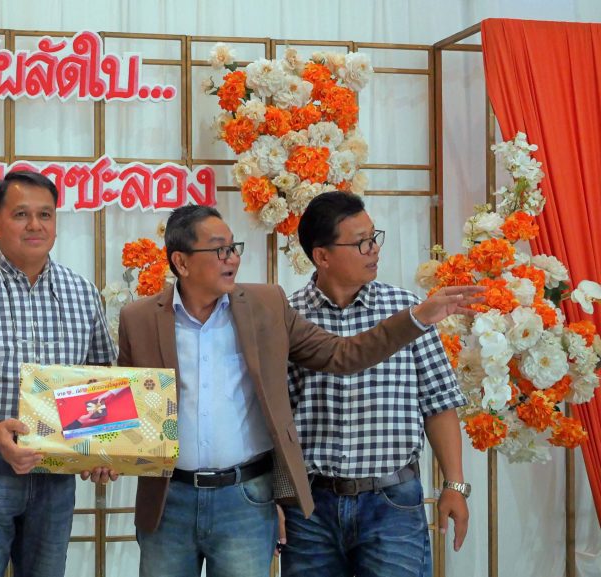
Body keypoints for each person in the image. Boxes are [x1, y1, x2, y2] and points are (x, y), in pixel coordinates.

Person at [117, 204, 480, 577]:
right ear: (182, 261)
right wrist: (105, 454)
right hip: (171, 499)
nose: (233, 258)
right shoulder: (138, 318)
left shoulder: (266, 307)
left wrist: (417, 318)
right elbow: (126, 410)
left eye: (234, 247)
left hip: (249, 498)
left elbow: (343, 354)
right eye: (220, 250)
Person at [0, 169, 117, 577]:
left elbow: (101, 380)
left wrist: (101, 446)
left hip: (56, 467)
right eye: (21, 214)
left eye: (45, 215)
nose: (35, 225)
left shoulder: (82, 291)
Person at [280, 192, 470, 577]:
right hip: (311, 507)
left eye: (374, 237)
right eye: (361, 243)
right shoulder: (288, 317)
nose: (374, 250)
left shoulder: (408, 310)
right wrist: (277, 498)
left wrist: (455, 485)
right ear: (322, 256)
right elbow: (275, 417)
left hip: (392, 502)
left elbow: (438, 401)